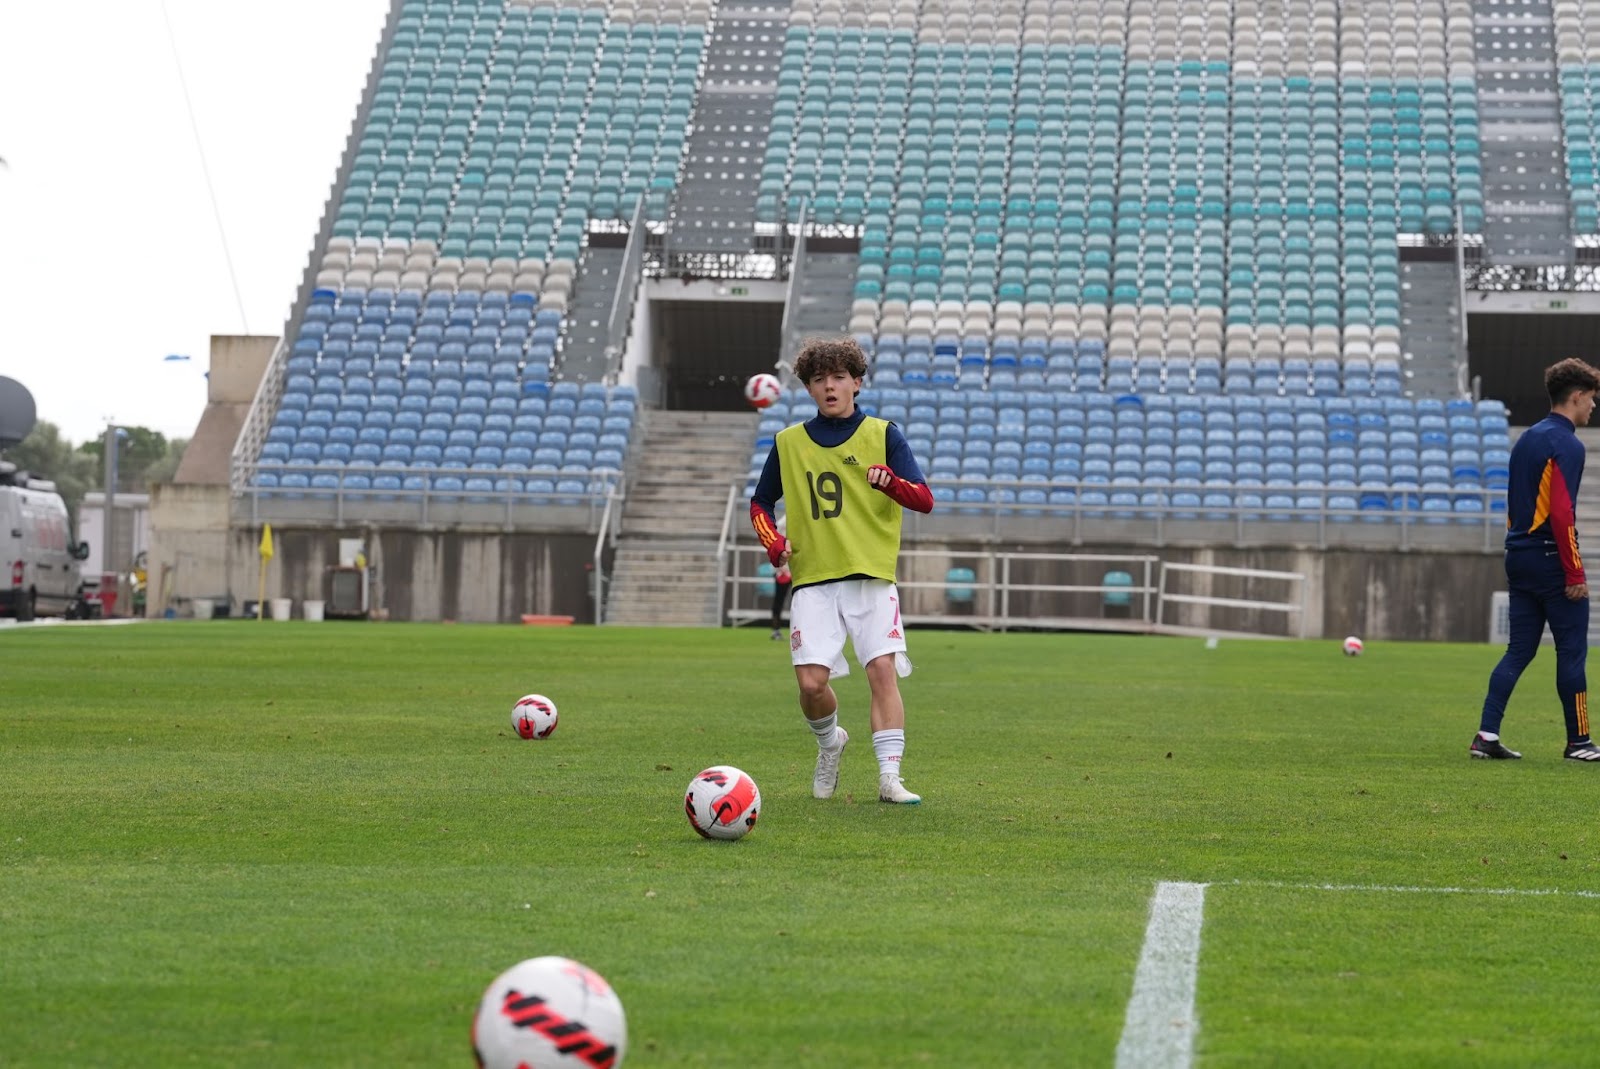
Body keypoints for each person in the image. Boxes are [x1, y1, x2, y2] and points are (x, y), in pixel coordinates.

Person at [750, 337, 934, 804]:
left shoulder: (884, 434)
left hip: (872, 578)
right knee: (811, 685)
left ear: (856, 382)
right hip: (813, 581)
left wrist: (891, 482)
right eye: (818, 380)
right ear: (809, 388)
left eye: (838, 377)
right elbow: (760, 502)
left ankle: (890, 778)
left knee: (881, 672)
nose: (829, 386)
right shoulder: (788, 443)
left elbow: (924, 500)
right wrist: (773, 542)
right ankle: (831, 742)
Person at [1473, 357, 1600, 762]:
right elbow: (1562, 513)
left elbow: (1517, 504)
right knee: (1572, 651)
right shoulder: (1567, 444)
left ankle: (1486, 735)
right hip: (1550, 558)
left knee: (1519, 650)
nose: (1593, 407)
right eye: (1592, 399)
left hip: (1519, 554)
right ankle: (1579, 742)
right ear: (1576, 397)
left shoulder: (1527, 438)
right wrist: (1574, 571)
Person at [769, 513, 791, 640]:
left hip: (797, 569)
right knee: (779, 600)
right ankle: (776, 629)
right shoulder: (783, 523)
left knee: (800, 601)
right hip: (783, 570)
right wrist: (781, 568)